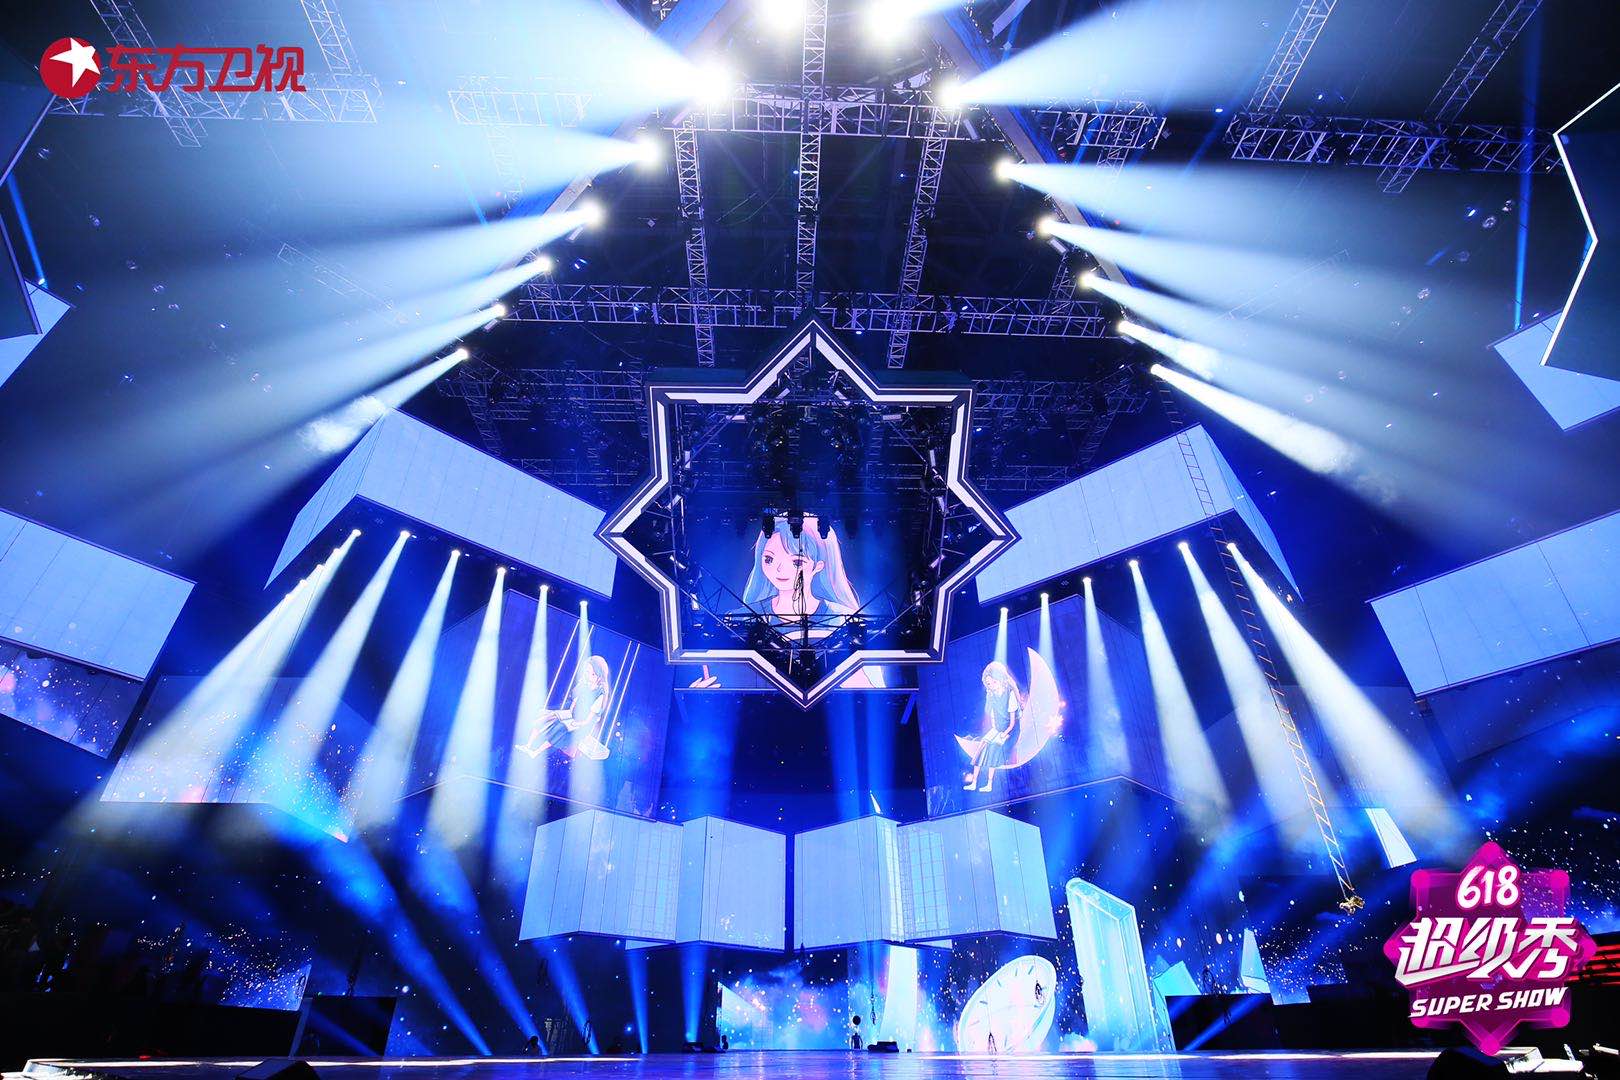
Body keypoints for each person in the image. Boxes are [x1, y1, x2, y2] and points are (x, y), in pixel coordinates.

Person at [516, 655, 612, 759]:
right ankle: (528, 745)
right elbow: (574, 699)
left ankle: (536, 752)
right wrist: (568, 711)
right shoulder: (585, 684)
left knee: (558, 728)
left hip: (582, 722)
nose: (589, 676)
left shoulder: (600, 693)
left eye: (593, 674)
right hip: (571, 714)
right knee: (547, 717)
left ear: (600, 675)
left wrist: (579, 723)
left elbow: (590, 717)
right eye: (587, 672)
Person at [964, 660, 1024, 792]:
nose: (991, 686)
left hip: (1011, 730)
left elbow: (1012, 723)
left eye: (993, 682)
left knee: (993, 749)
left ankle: (989, 784)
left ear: (1000, 679)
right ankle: (974, 782)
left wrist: (1004, 734)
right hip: (998, 728)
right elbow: (989, 712)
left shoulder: (1010, 694)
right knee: (982, 746)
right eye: (989, 684)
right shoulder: (991, 695)